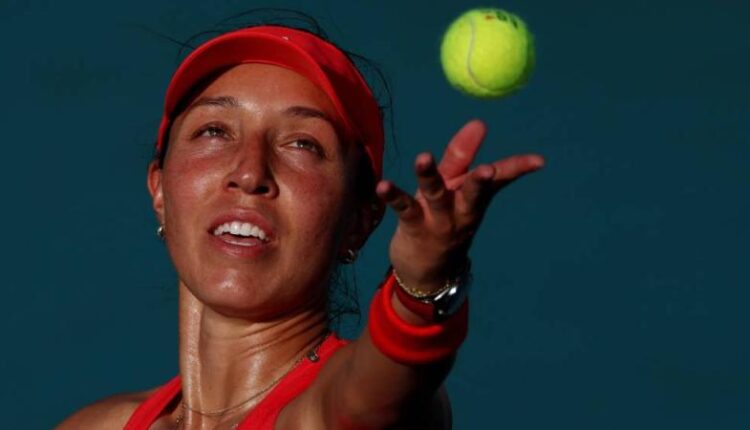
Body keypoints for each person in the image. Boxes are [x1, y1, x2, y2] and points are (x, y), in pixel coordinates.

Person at [57, 22, 544, 430]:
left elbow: (379, 392)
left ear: (359, 222)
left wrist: (422, 289)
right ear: (160, 190)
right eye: (214, 131)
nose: (250, 172)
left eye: (302, 144)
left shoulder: (331, 410)